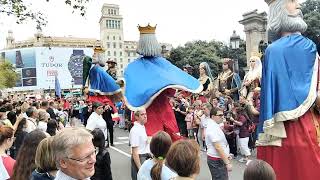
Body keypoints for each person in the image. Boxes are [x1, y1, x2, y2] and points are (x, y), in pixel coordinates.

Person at [258, 0, 320, 180]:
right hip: (311, 127)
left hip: (281, 133)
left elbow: (270, 101)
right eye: (292, 1)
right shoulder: (311, 48)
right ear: (280, 9)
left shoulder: (273, 51)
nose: (298, 4)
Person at [124, 24, 202, 141]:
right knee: (169, 144)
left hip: (146, 112)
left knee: (148, 144)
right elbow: (171, 90)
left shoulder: (132, 67)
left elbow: (130, 90)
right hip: (164, 109)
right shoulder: (164, 64)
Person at [206, 108, 232, 180]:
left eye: (223, 115)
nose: (222, 117)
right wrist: (227, 163)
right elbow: (217, 146)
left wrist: (226, 155)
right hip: (216, 160)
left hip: (218, 158)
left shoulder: (214, 125)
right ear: (213, 116)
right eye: (220, 115)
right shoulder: (212, 127)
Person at [129, 110, 151, 180]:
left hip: (146, 157)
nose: (145, 116)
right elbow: (135, 152)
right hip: (140, 158)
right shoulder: (135, 130)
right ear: (136, 117)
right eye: (142, 114)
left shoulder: (142, 127)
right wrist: (140, 168)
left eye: (145, 114)